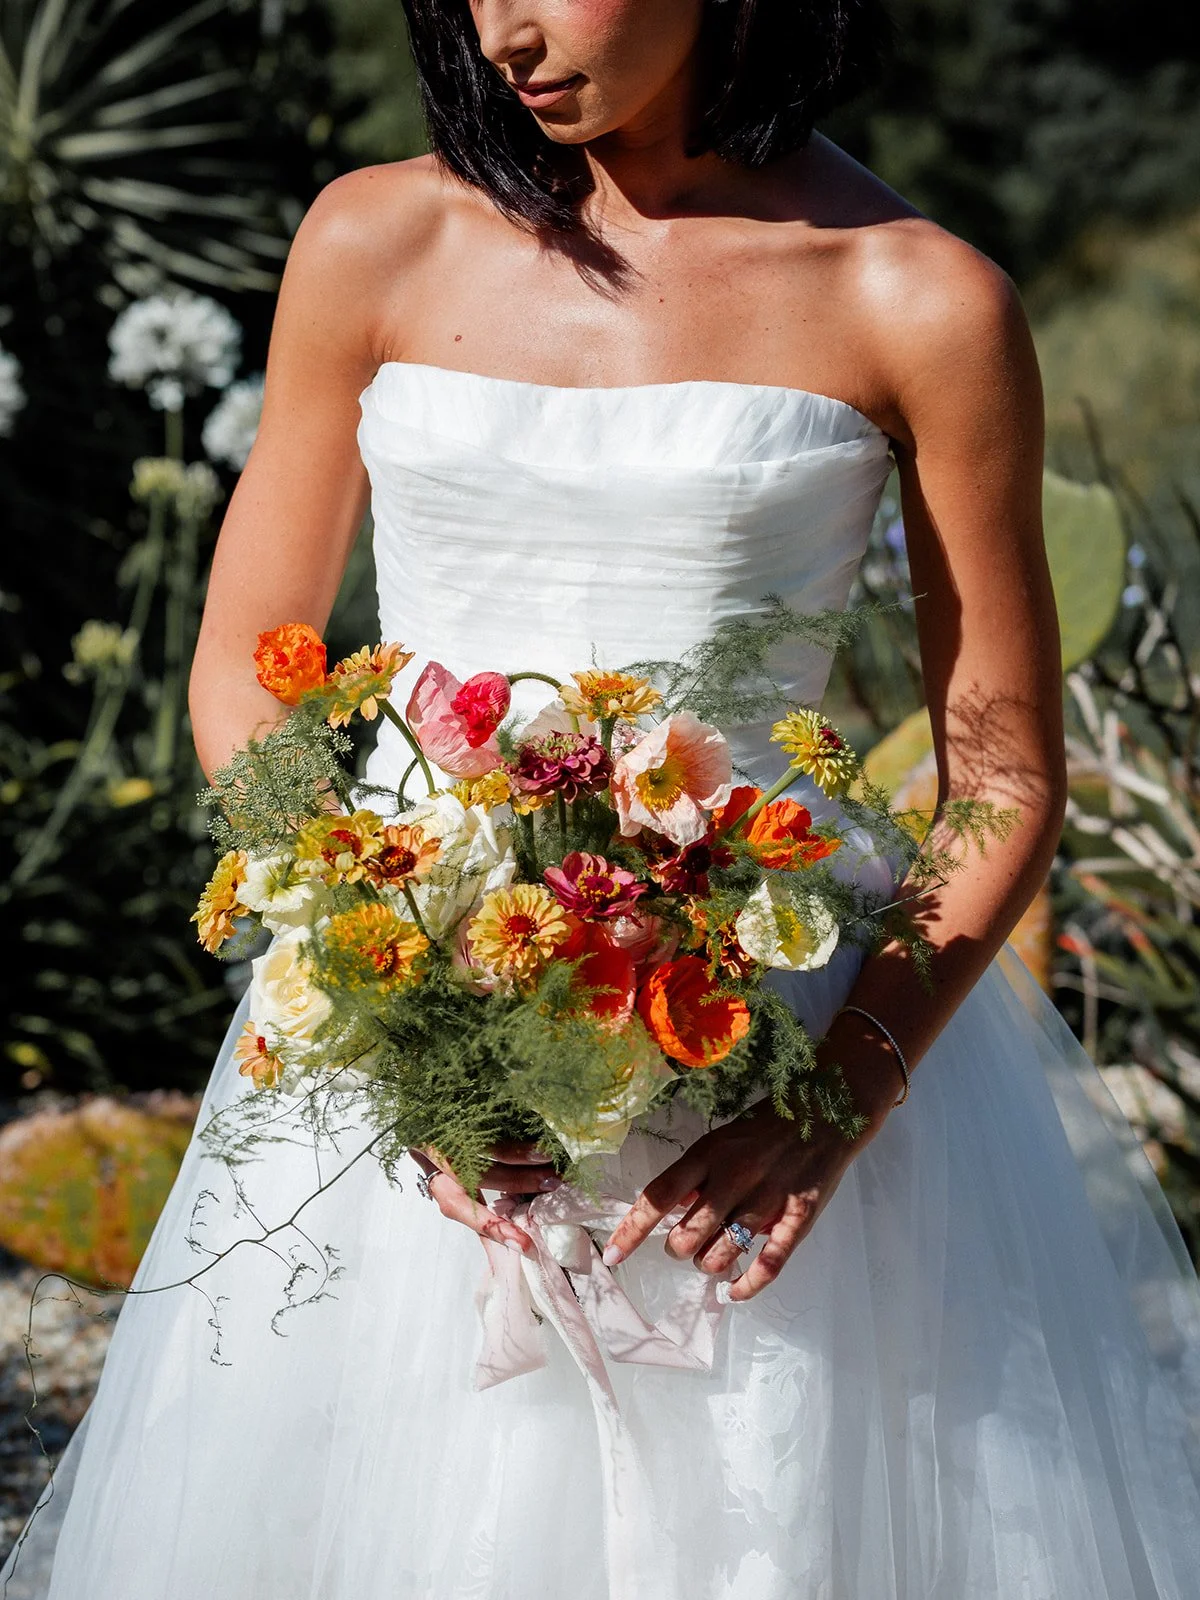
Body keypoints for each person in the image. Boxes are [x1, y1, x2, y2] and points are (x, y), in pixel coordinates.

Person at [5, 2, 1200, 1596]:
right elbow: (242, 668)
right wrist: (390, 1008)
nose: (508, 24)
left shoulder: (918, 296)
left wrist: (826, 1107)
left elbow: (999, 771)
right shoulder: (374, 238)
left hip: (773, 1043)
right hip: (411, 1038)